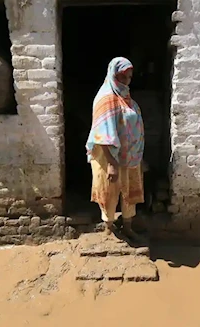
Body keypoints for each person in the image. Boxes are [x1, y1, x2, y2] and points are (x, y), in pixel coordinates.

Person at [85, 57, 145, 242]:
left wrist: (139, 155)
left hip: (129, 157)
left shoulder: (127, 99)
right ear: (113, 75)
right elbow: (101, 134)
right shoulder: (105, 99)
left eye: (129, 77)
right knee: (109, 192)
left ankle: (128, 226)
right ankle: (109, 228)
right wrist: (112, 163)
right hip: (107, 157)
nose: (126, 81)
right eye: (122, 77)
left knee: (129, 190)